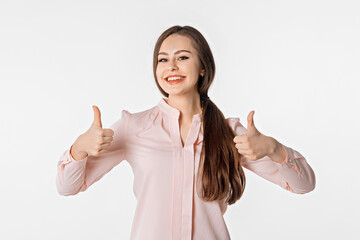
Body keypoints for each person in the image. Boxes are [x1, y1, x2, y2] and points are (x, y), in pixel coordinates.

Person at [56, 25, 316, 240]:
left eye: (182, 57)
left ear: (203, 67)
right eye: (162, 59)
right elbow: (68, 187)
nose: (171, 66)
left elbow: (303, 185)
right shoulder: (133, 127)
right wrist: (79, 149)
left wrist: (274, 149)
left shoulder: (230, 133)